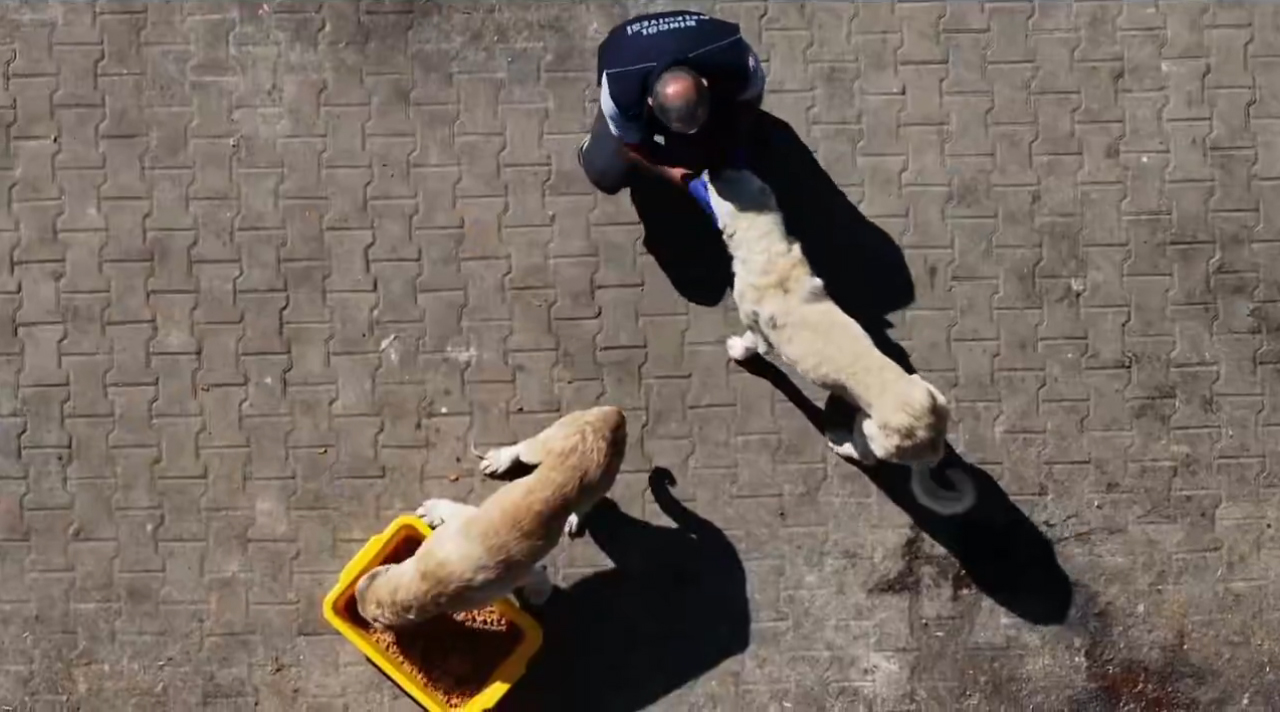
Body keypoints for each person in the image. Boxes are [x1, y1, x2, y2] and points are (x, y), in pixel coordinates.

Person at [579, 10, 766, 213]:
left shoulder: (734, 60)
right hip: (629, 50)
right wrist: (681, 178)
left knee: (729, 146)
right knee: (606, 170)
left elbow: (750, 100)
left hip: (699, 45)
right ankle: (590, 151)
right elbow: (631, 148)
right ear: (650, 102)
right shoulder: (621, 90)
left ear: (705, 83)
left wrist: (735, 137)